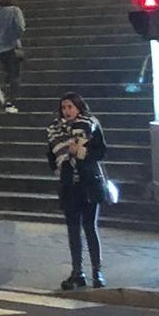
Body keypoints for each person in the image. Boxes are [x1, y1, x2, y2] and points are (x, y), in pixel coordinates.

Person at [46, 93, 109, 289]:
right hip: (69, 185)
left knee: (90, 227)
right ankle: (77, 271)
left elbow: (100, 151)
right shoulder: (56, 130)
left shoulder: (89, 125)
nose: (67, 111)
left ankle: (97, 271)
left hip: (88, 182)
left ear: (79, 108)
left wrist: (80, 152)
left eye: (70, 107)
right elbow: (51, 153)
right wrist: (61, 162)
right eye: (64, 107)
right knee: (73, 230)